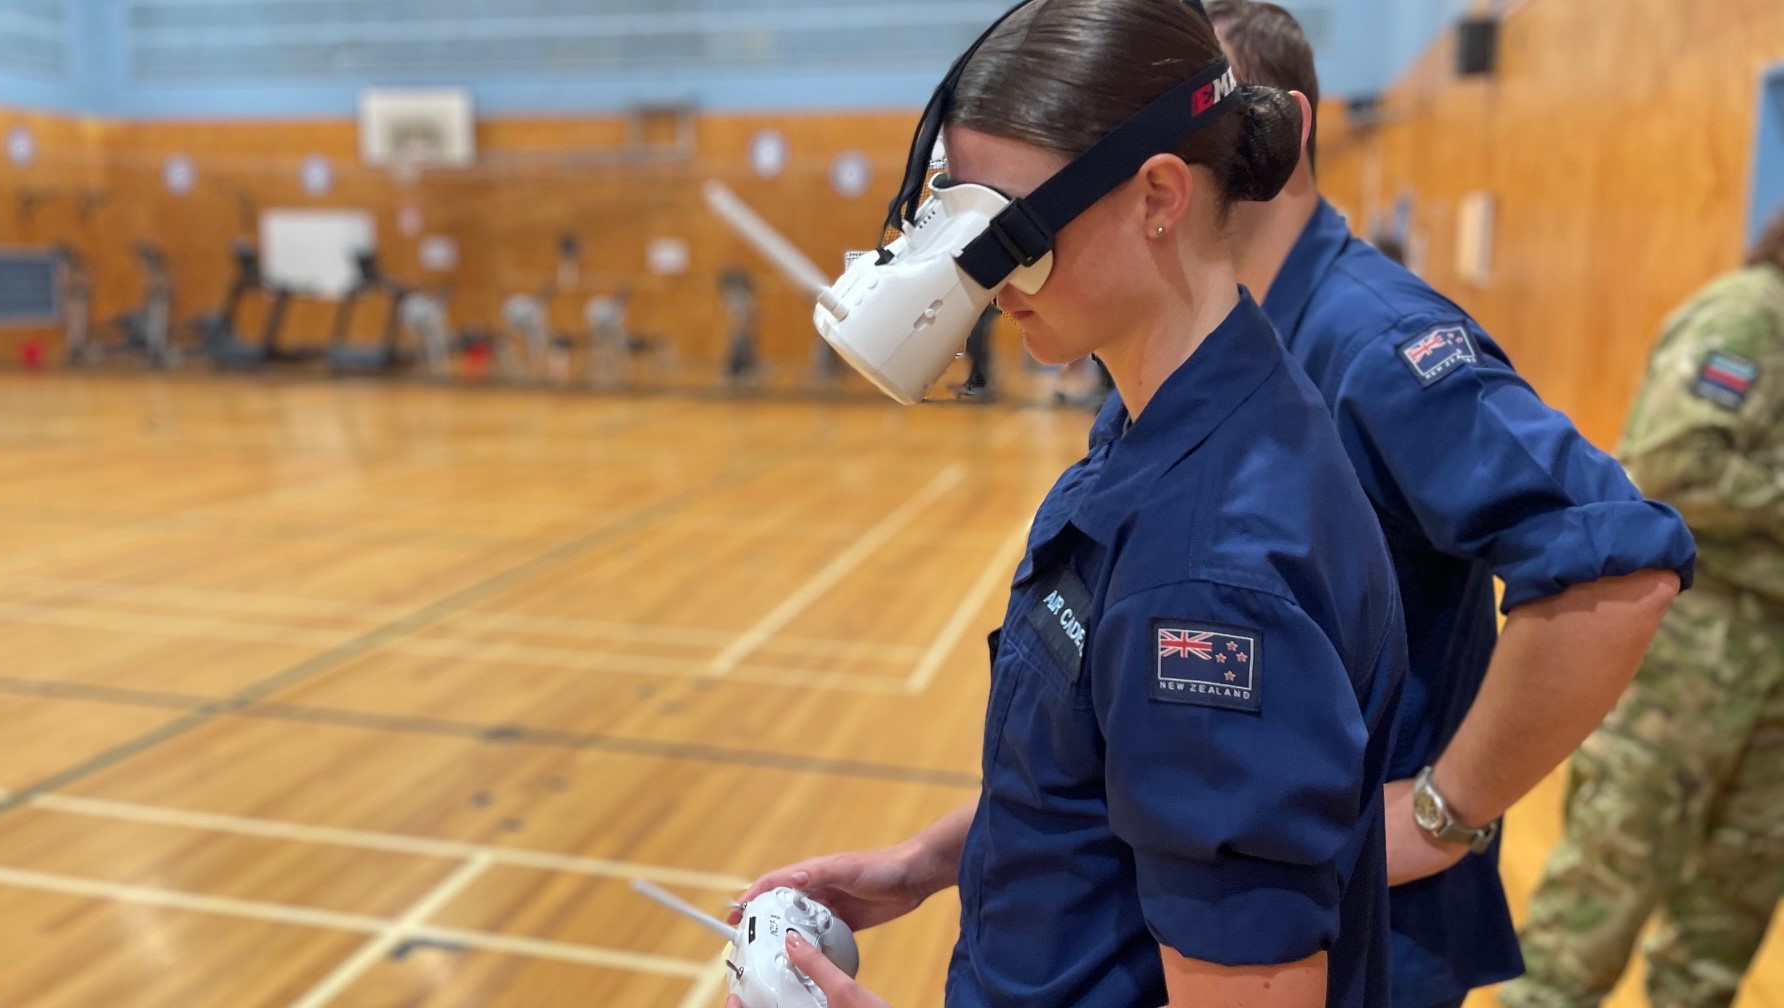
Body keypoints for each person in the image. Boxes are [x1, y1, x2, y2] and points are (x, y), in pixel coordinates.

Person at [731, 2, 1407, 1006]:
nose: (983, 282)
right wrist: (928, 860)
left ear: (1160, 196)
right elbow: (1121, 782)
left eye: (1012, 233)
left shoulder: (1207, 582)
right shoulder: (1166, 419)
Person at [1203, 4, 1695, 1006]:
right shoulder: (1218, 339)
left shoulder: (1376, 344)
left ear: (1283, 128)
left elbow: (1615, 559)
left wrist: (1442, 812)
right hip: (1239, 909)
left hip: (1368, 938)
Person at [1499, 208, 1784, 1008]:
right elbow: (1676, 460)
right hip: (1690, 666)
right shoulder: (1748, 315)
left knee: (1722, 929)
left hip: (1770, 675)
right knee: (1596, 906)